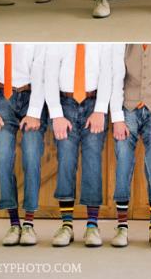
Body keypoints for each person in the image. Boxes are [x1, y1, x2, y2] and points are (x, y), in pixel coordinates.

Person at [45, 43, 113, 247]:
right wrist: (56, 114)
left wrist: (100, 110)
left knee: (93, 161)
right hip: (65, 105)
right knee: (66, 160)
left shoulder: (101, 42)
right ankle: (66, 225)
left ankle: (92, 226)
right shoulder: (58, 41)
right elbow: (49, 77)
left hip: (93, 103)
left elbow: (106, 75)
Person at [108, 43, 151, 248]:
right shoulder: (124, 43)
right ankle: (122, 227)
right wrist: (117, 118)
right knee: (124, 160)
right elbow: (116, 79)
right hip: (128, 108)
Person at [0, 43, 48, 246]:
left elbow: (41, 71)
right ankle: (14, 223)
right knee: (4, 158)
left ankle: (28, 224)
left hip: (32, 95)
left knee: (31, 157)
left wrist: (34, 112)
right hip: (3, 97)